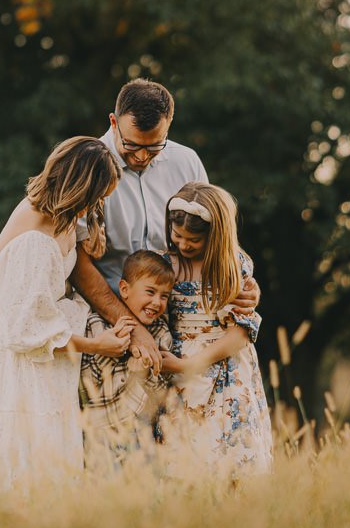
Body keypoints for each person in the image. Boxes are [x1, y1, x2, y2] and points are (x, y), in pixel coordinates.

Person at [0, 137, 134, 493]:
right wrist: (97, 345)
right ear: (80, 189)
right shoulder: (35, 241)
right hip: (27, 363)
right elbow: (29, 333)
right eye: (99, 196)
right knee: (29, 463)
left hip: (50, 362)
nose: (101, 204)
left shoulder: (60, 215)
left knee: (52, 459)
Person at [71, 79, 258, 371]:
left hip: (180, 330)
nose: (142, 156)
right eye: (131, 145)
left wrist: (240, 281)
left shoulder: (187, 162)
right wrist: (133, 329)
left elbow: (213, 238)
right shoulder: (86, 167)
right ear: (113, 122)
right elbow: (76, 262)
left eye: (155, 146)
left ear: (169, 126)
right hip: (109, 329)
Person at [159, 181, 273, 476]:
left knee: (231, 455)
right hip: (178, 372)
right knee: (184, 458)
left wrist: (191, 364)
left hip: (227, 370)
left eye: (193, 240)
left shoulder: (232, 267)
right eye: (178, 235)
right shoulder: (164, 265)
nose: (183, 244)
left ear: (216, 236)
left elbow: (241, 332)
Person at [78, 250, 176, 463]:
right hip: (100, 433)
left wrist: (144, 371)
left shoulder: (160, 333)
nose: (157, 302)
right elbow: (86, 380)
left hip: (141, 431)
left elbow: (162, 390)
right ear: (124, 289)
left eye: (164, 296)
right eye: (150, 292)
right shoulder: (98, 324)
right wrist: (114, 351)